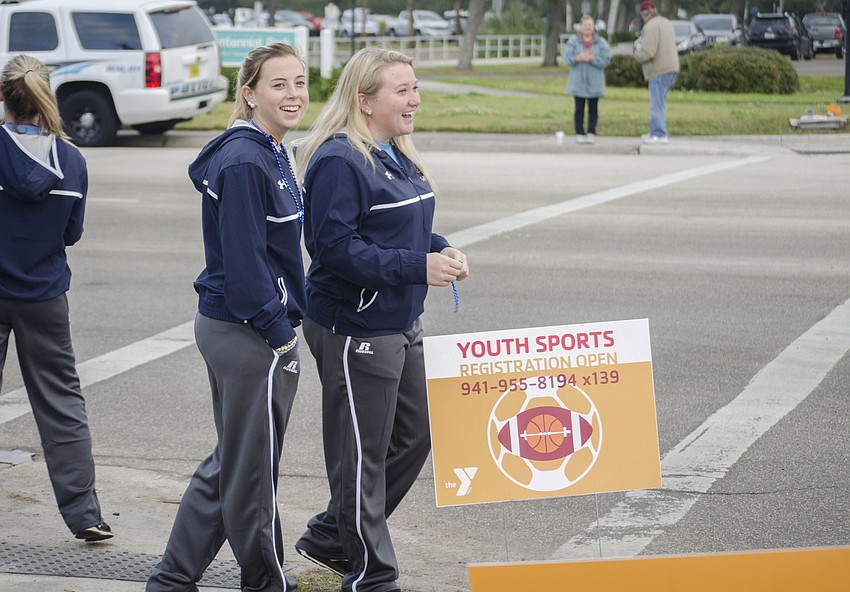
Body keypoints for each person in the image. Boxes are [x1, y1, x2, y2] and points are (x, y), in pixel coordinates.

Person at [292, 47, 469, 592]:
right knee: (361, 455)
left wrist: (441, 250)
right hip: (355, 326)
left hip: (400, 318)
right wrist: (420, 265)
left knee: (415, 435)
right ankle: (371, 575)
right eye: (402, 90)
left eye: (415, 88)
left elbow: (403, 227)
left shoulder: (398, 152)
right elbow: (335, 250)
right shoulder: (340, 161)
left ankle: (330, 534)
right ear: (366, 101)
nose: (414, 99)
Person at [146, 42, 308, 592]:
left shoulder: (271, 149)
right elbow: (244, 267)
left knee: (234, 462)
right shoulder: (244, 159)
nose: (293, 95)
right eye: (279, 84)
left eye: (300, 83)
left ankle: (172, 579)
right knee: (252, 475)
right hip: (248, 333)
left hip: (246, 328)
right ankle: (267, 584)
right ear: (249, 93)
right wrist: (280, 335)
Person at [0, 54, 113, 544]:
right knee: (61, 401)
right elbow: (72, 232)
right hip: (43, 293)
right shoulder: (71, 160)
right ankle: (84, 512)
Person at [632, 0, 679, 144]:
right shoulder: (666, 22)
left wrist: (636, 53)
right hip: (672, 68)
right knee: (660, 102)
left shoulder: (650, 27)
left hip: (659, 70)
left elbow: (648, 51)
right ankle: (655, 131)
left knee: (656, 104)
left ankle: (659, 134)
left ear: (643, 14)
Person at [563, 15, 612, 144]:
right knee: (579, 108)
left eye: (590, 25)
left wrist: (592, 59)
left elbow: (606, 60)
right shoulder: (573, 42)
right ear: (580, 27)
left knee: (593, 108)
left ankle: (591, 132)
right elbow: (567, 58)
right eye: (585, 25)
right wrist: (578, 58)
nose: (587, 28)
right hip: (578, 81)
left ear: (594, 27)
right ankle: (579, 132)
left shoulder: (601, 42)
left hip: (595, 81)